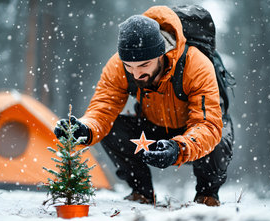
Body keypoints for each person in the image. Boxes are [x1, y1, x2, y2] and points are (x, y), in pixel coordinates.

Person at [54, 6, 233, 206]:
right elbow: (103, 107)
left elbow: (207, 124)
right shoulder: (118, 65)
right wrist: (85, 129)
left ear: (161, 54)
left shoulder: (196, 65)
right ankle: (141, 193)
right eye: (129, 67)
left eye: (144, 65)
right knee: (112, 129)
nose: (136, 74)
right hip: (152, 127)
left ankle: (207, 195)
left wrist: (178, 147)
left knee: (218, 137)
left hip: (194, 131)